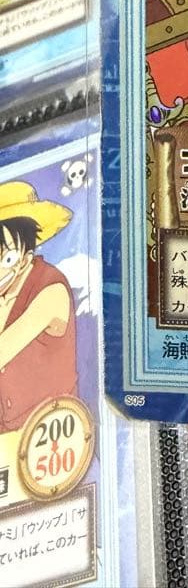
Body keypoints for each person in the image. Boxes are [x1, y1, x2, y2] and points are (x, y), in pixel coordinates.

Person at [0, 182, 77, 433]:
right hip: (8, 436)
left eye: (6, 258)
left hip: (53, 433)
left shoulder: (50, 289)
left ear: (25, 257)